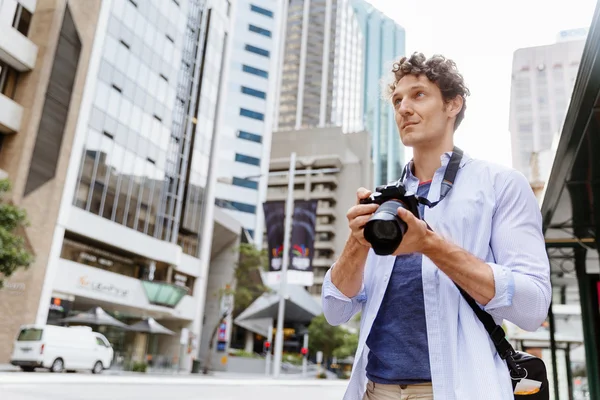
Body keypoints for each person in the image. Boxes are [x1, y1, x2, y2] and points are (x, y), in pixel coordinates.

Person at [321, 53, 551, 400]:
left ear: (453, 104)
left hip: (459, 390)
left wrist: (430, 244)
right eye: (397, 100)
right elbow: (335, 310)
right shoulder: (384, 200)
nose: (403, 108)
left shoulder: (500, 184)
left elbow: (532, 308)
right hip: (374, 390)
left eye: (418, 95)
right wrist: (356, 243)